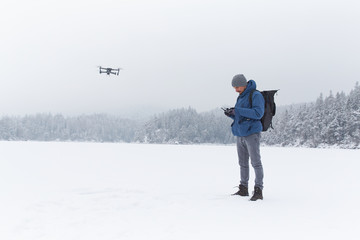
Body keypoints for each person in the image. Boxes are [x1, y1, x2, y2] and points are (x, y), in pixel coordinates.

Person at [224, 74, 265, 201]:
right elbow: (240, 115)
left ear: (244, 84)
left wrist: (238, 110)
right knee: (242, 163)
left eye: (237, 87)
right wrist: (231, 114)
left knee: (256, 163)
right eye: (234, 87)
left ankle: (258, 190)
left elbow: (258, 113)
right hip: (240, 133)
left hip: (252, 133)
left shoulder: (256, 95)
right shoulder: (240, 96)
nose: (236, 89)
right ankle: (244, 188)